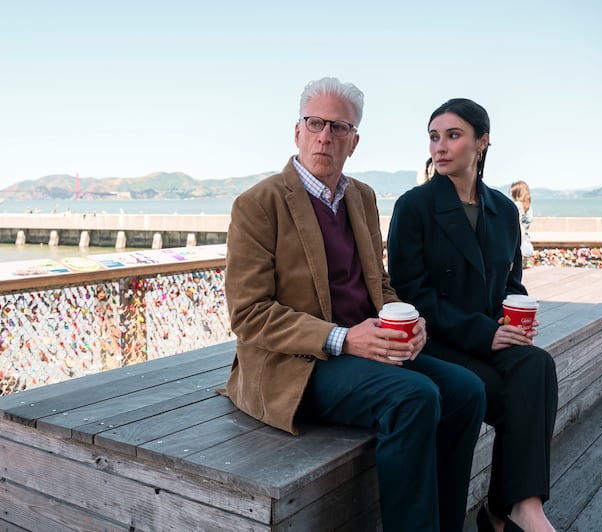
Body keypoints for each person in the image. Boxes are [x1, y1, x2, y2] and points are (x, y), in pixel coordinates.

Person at [224, 77, 486, 532]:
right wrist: (343, 338)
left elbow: (378, 284)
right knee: (414, 396)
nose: (325, 136)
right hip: (299, 363)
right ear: (297, 130)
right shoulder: (258, 205)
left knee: (468, 391)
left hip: (368, 348)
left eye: (339, 127)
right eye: (316, 123)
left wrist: (411, 318)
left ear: (354, 141)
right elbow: (248, 314)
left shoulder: (362, 198)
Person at [387, 98, 559, 532]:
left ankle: (521, 508)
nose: (439, 147)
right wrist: (486, 333)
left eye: (453, 135)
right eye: (433, 137)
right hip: (441, 343)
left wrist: (514, 320)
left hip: (490, 339)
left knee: (538, 364)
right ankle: (502, 514)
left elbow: (511, 285)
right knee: (511, 398)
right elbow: (411, 294)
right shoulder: (414, 207)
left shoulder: (504, 212)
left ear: (482, 143)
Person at [510, 180, 535, 260]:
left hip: (519, 237)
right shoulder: (528, 207)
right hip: (526, 238)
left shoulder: (517, 205)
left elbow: (516, 222)